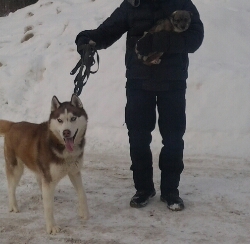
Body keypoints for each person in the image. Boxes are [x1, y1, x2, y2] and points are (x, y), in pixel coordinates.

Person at [75, 0, 204, 211]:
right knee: (138, 137)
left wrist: (160, 41)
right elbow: (108, 30)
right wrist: (87, 40)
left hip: (172, 82)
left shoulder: (181, 3)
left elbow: (195, 39)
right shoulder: (132, 5)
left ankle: (171, 191)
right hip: (138, 82)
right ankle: (144, 189)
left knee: (173, 138)